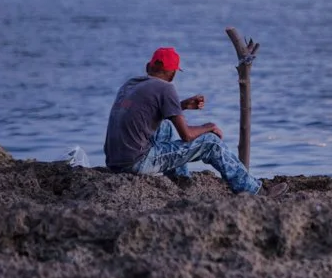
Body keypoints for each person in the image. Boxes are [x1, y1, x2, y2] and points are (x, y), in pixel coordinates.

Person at [104, 47, 287, 197]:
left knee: (166, 125)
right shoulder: (166, 87)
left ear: (148, 66)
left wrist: (180, 105)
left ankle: (180, 180)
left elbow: (148, 113)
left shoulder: (131, 84)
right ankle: (256, 191)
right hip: (136, 163)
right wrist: (209, 127)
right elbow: (187, 135)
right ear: (172, 72)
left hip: (114, 162)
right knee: (211, 143)